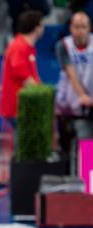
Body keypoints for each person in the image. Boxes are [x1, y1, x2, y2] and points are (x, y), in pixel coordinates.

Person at [0, 10, 44, 145]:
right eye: (42, 25)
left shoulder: (27, 47)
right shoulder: (19, 46)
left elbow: (32, 77)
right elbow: (23, 74)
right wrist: (43, 92)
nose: (43, 29)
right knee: (24, 149)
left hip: (24, 107)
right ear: (36, 28)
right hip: (18, 108)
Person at [55, 12, 93, 172]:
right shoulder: (63, 45)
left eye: (83, 27)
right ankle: (68, 189)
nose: (79, 31)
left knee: (87, 147)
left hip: (90, 106)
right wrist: (83, 96)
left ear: (89, 28)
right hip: (69, 105)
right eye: (76, 27)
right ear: (71, 28)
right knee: (66, 150)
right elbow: (71, 73)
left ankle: (88, 187)